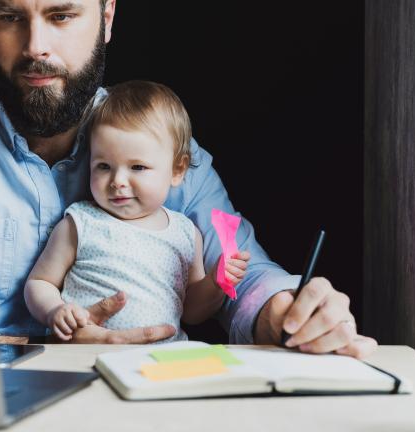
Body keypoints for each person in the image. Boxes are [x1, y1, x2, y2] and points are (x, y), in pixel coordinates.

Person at [0, 0, 376, 357]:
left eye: (61, 15)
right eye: (10, 17)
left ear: (107, 18)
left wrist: (282, 310)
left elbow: (242, 270)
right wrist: (49, 337)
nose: (35, 46)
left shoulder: (164, 151)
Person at [25, 80, 250, 342]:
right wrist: (55, 310)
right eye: (104, 166)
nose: (118, 180)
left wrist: (215, 283)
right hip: (87, 355)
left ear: (178, 170)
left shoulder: (185, 234)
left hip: (163, 362)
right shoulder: (81, 223)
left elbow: (192, 312)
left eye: (138, 167)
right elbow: (39, 283)